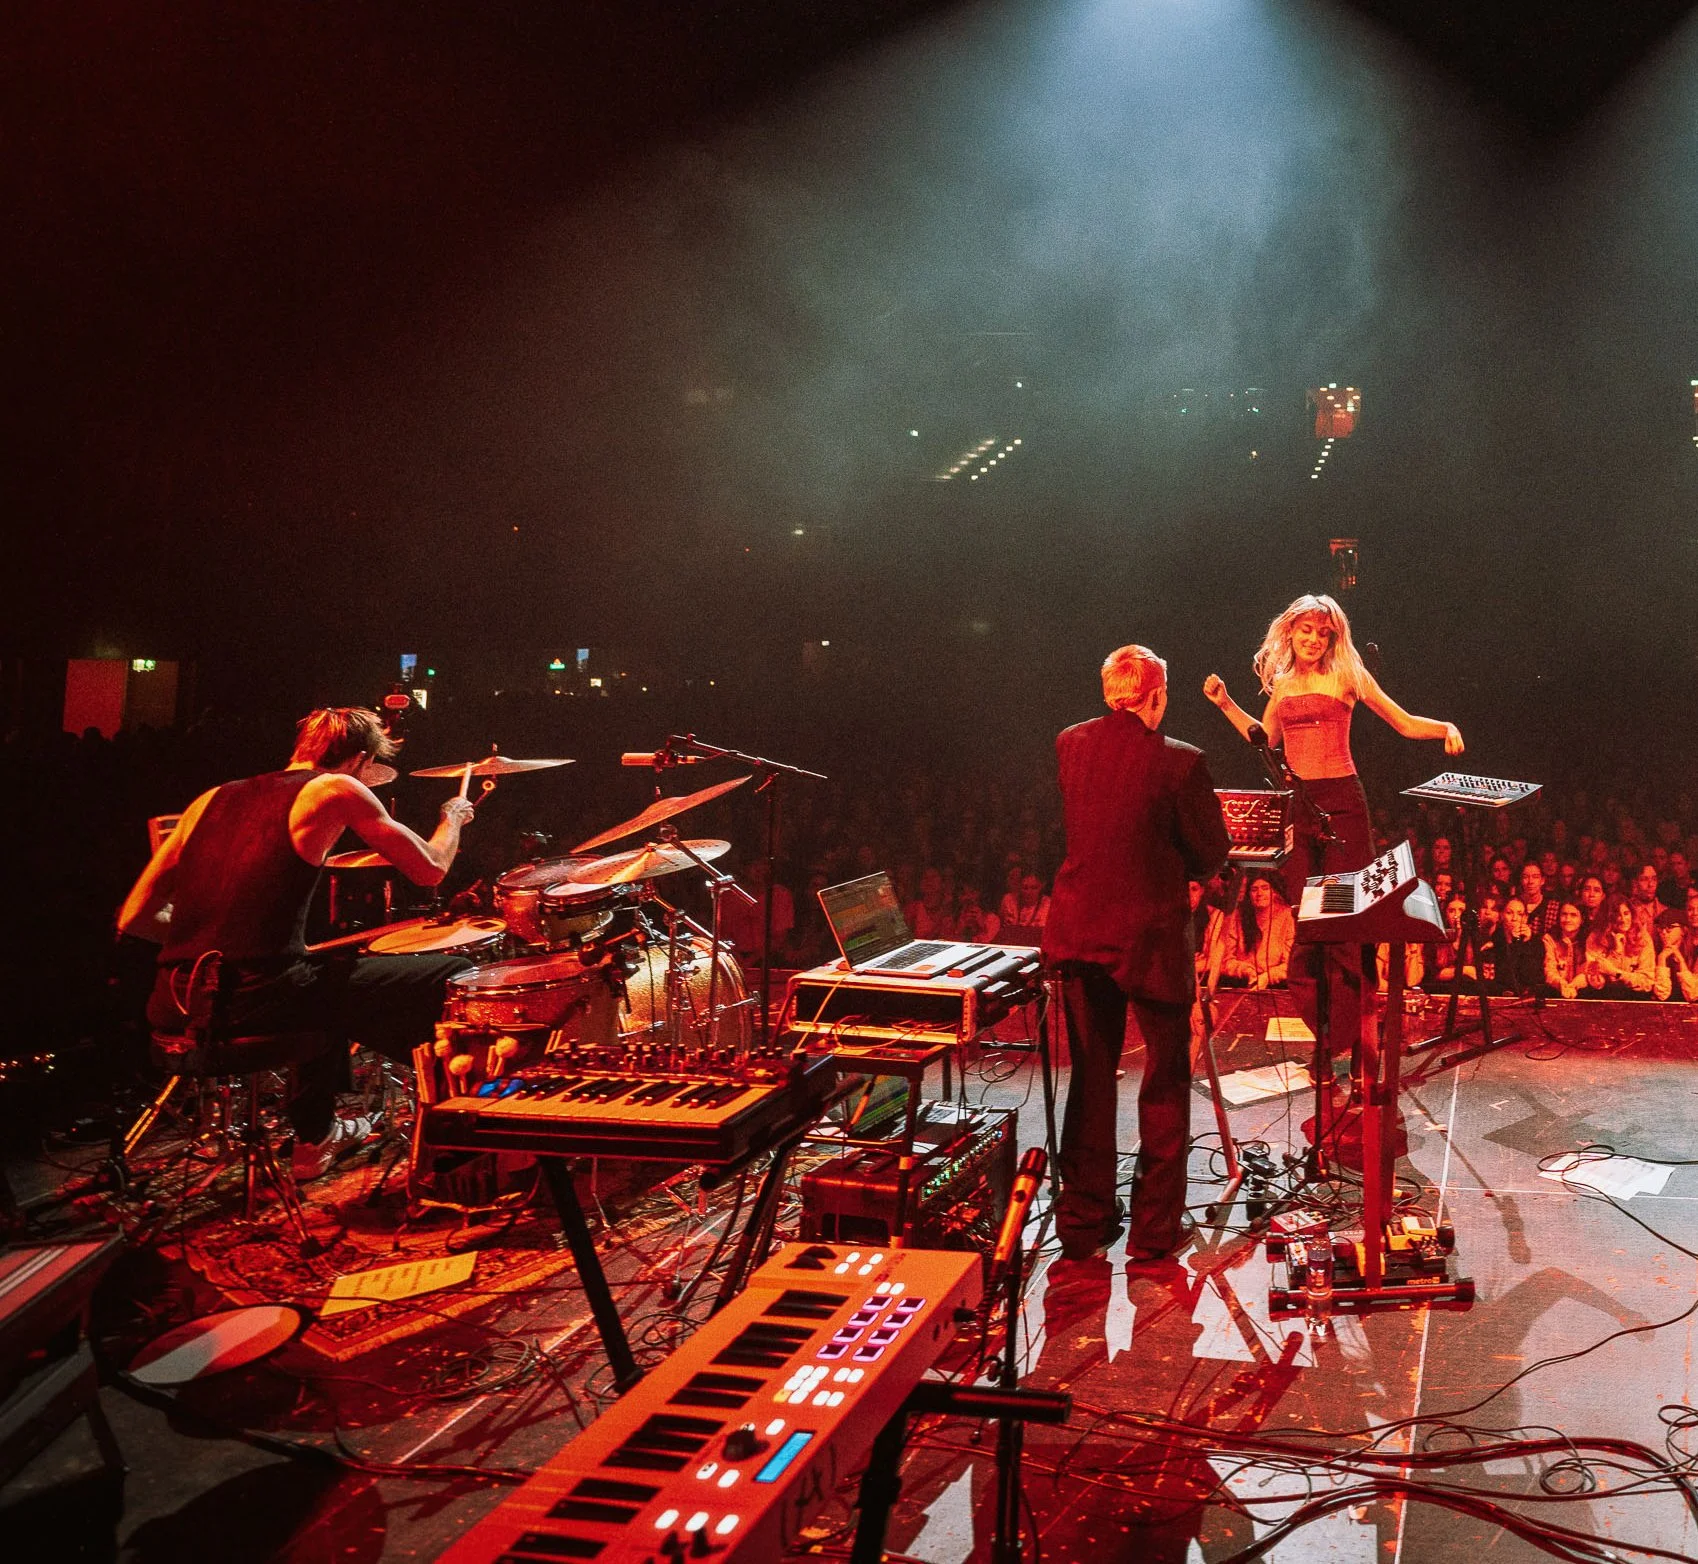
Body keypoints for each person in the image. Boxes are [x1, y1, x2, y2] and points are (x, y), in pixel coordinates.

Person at [117, 707, 476, 1179]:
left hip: (173, 1008)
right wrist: (452, 818)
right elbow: (430, 869)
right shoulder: (336, 787)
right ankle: (461, 1126)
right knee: (455, 972)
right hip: (256, 1004)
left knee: (320, 979)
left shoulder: (210, 799)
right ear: (361, 760)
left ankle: (317, 1135)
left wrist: (214, 942)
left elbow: (133, 917)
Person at [1203, 594, 1463, 1072]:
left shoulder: (1348, 676)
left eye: (1323, 633)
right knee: (1311, 931)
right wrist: (1224, 704)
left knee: (1348, 927)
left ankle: (1361, 1037)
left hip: (1342, 807)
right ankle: (1326, 1038)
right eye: (1306, 630)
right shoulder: (1282, 687)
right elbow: (1264, 741)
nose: (1313, 640)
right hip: (1300, 809)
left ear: (1332, 639)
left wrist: (1444, 726)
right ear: (1291, 631)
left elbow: (1403, 723)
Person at [1044, 644, 1230, 1263]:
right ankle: (1153, 1233)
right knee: (1163, 1081)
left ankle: (1083, 1221)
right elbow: (1211, 849)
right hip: (1149, 939)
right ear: (1154, 697)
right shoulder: (1181, 762)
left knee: (1091, 1080)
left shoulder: (1069, 744)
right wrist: (1195, 870)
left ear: (1109, 694)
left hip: (1080, 933)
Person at [1219, 876, 1294, 990]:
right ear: (1248, 894)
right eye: (1254, 889)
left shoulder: (1287, 916)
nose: (1259, 893)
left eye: (1265, 888)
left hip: (1276, 985)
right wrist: (1246, 970)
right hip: (1242, 983)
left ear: (1273, 892)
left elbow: (1289, 964)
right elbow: (1225, 961)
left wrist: (1268, 976)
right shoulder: (1238, 915)